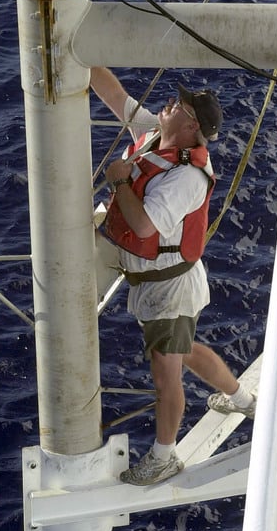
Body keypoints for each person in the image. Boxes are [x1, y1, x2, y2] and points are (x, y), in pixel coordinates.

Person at [90, 67, 257, 485]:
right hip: (155, 278)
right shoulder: (154, 134)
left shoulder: (186, 178)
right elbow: (113, 94)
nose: (167, 104)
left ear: (190, 126)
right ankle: (241, 399)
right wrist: (81, 53)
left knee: (166, 374)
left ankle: (165, 457)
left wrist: (120, 182)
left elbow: (145, 227)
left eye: (177, 106)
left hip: (169, 288)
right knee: (183, 351)